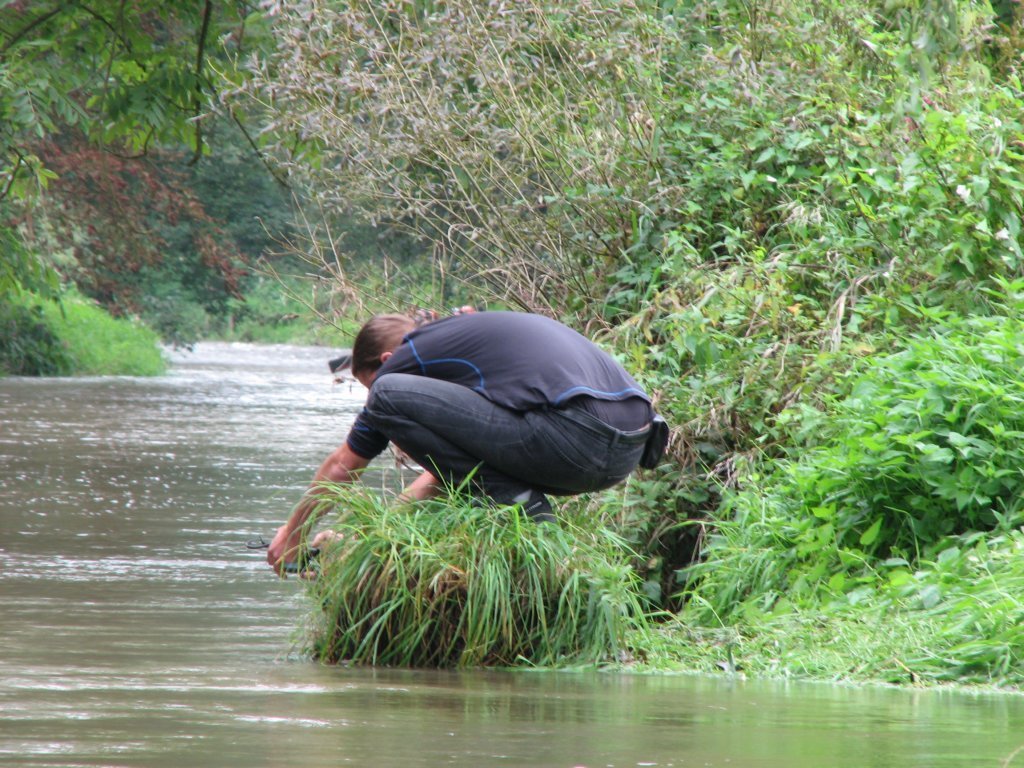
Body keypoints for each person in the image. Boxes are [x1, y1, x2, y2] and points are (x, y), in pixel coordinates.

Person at [267, 310, 661, 575]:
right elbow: (451, 472)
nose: (370, 402)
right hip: (623, 451)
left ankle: (526, 507)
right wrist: (367, 540)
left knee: (390, 396)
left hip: (575, 435)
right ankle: (525, 506)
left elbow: (343, 465)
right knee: (474, 469)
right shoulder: (468, 351)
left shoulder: (408, 358)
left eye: (366, 385)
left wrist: (293, 533)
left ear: (387, 359)